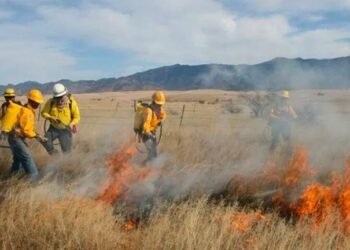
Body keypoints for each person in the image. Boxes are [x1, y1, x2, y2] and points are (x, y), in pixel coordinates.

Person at [0, 89, 46, 182]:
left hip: (16, 138)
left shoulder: (24, 108)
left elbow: (25, 127)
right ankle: (35, 181)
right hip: (16, 139)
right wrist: (37, 136)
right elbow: (27, 130)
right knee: (27, 158)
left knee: (18, 159)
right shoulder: (26, 111)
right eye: (37, 102)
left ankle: (12, 177)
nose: (38, 104)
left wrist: (36, 135)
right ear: (31, 101)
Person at [41, 83, 80, 155]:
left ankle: (65, 164)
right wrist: (51, 117)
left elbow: (76, 117)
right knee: (45, 142)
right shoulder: (51, 102)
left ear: (65, 94)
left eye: (61, 97)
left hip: (66, 130)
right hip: (53, 129)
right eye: (57, 98)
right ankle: (56, 156)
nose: (59, 100)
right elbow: (43, 113)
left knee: (66, 153)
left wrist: (71, 124)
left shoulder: (71, 103)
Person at [136, 91, 167, 164]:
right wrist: (150, 135)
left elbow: (164, 114)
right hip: (145, 134)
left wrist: (161, 120)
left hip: (152, 133)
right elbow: (145, 126)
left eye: (161, 104)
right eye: (158, 104)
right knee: (152, 155)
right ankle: (143, 168)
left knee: (153, 154)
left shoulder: (158, 109)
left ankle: (147, 169)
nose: (160, 106)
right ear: (154, 102)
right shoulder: (148, 111)